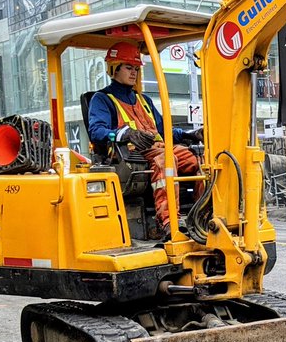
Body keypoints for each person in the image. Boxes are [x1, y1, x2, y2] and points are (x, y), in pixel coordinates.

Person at [86, 42, 204, 233]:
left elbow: (163, 131)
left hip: (158, 149)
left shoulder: (143, 100)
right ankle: (168, 221)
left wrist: (188, 134)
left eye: (136, 68)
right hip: (130, 157)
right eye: (128, 67)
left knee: (200, 159)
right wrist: (126, 133)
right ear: (114, 68)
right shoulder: (103, 99)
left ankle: (203, 214)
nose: (134, 72)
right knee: (165, 160)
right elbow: (96, 131)